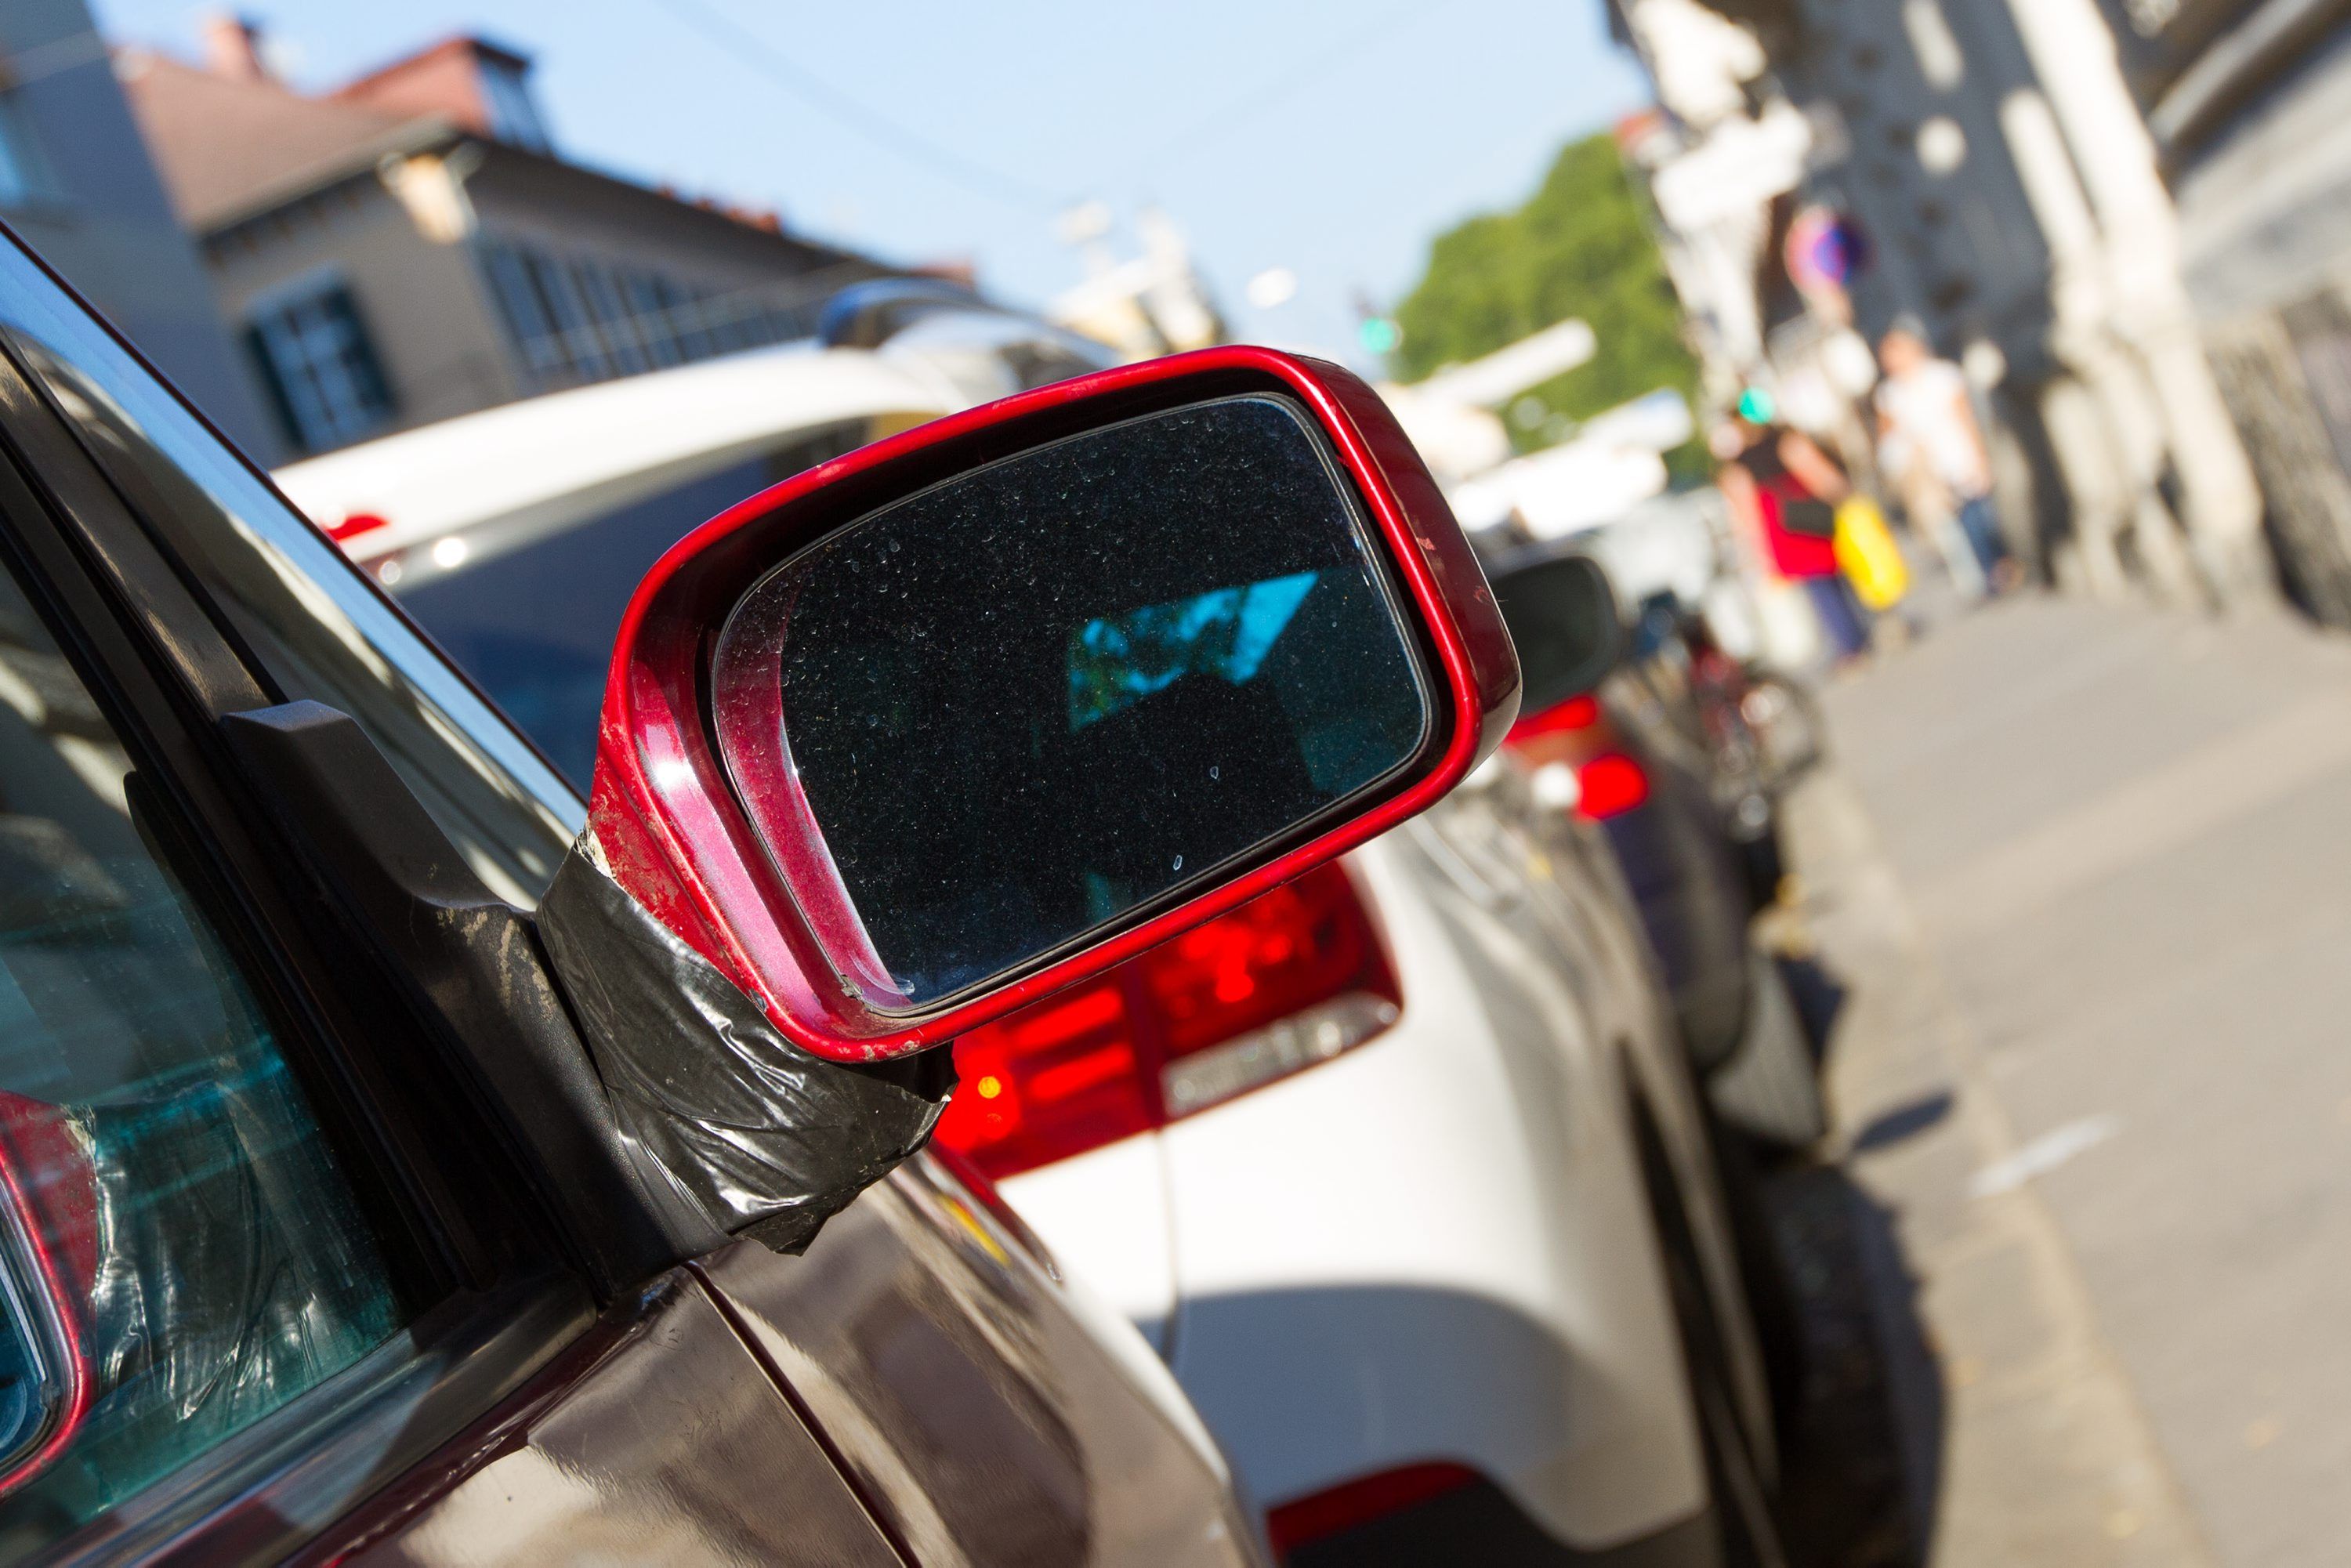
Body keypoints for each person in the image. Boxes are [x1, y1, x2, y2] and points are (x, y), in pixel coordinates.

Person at [1716, 390, 1871, 668]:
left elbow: (1745, 511)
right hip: (1810, 511)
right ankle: (1859, 630)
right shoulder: (1784, 439)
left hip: (1786, 526)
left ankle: (1850, 642)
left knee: (1818, 587)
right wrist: (1843, 494)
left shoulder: (1740, 463)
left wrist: (1756, 552)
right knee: (1835, 574)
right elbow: (1815, 469)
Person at [1874, 323, 2018, 593]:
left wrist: (1978, 454)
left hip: (1957, 453)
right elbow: (1888, 436)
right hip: (1928, 467)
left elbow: (1965, 416)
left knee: (1983, 515)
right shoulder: (1890, 394)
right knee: (1960, 520)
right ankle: (1987, 572)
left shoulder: (1942, 375)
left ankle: (2003, 561)